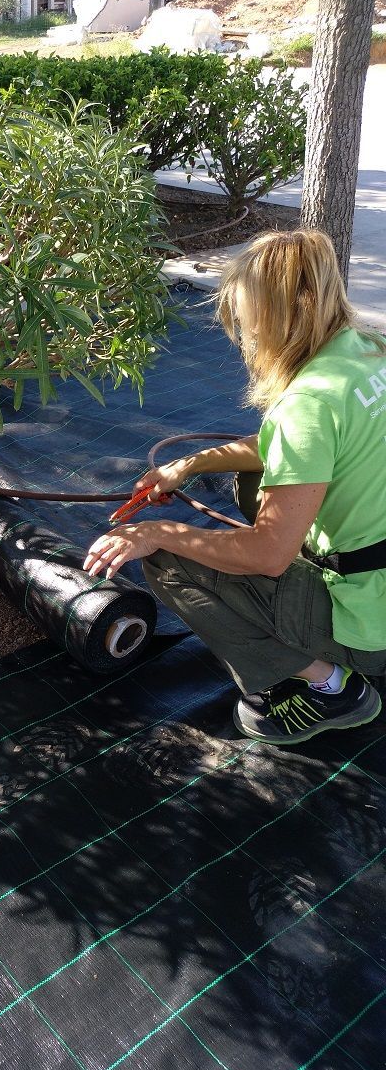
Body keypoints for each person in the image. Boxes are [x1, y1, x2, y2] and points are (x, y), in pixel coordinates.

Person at [83, 229, 386, 745]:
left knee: (166, 561)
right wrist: (188, 467)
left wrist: (158, 533)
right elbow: (285, 445)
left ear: (285, 315)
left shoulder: (309, 403)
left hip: (367, 622)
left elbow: (268, 554)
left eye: (247, 323)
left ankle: (331, 686)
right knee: (253, 482)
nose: (243, 337)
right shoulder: (365, 351)